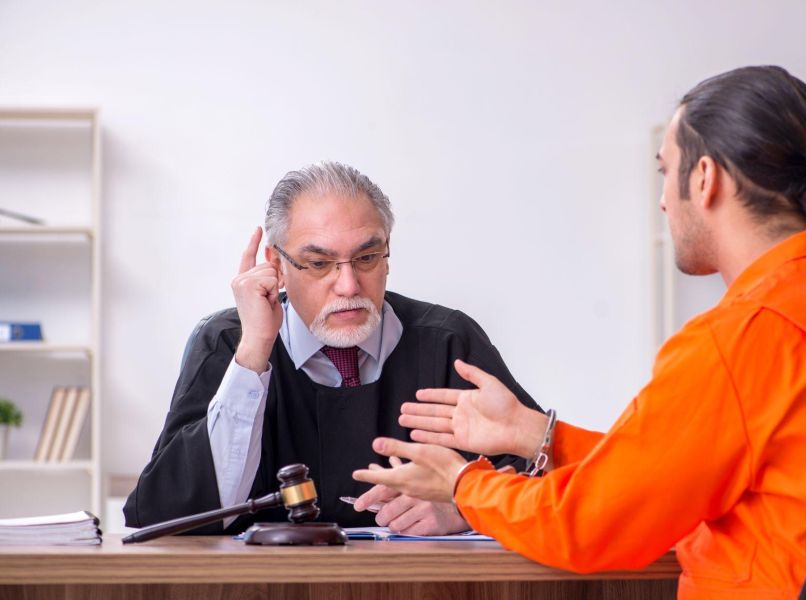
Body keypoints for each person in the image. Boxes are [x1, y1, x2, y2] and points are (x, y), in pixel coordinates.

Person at [352, 66, 806, 598]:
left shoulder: (748, 335)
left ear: (705, 178)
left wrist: (464, 484)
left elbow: (587, 525)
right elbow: (677, 473)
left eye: (666, 171)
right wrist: (535, 434)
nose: (662, 200)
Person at [124, 161, 541, 536]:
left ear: (387, 255)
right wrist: (255, 351)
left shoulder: (447, 341)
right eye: (319, 263)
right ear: (277, 265)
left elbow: (548, 479)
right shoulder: (230, 342)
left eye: (367, 258)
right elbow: (167, 515)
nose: (348, 286)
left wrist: (466, 508)